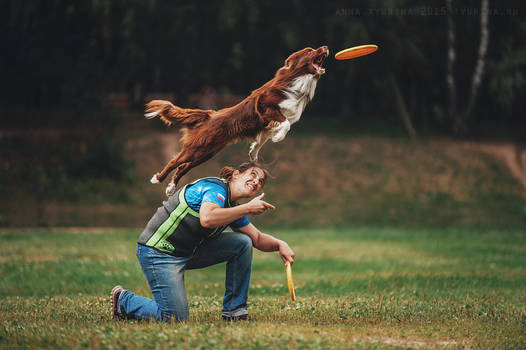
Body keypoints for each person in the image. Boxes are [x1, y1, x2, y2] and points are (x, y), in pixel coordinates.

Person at [111, 162, 295, 322]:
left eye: (260, 182)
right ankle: (124, 300)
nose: (256, 182)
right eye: (252, 175)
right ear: (236, 175)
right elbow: (207, 218)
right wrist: (248, 208)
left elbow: (257, 238)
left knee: (243, 243)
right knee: (174, 318)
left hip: (186, 252)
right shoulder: (215, 188)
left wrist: (280, 244)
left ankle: (235, 311)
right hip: (159, 253)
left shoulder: (232, 207)